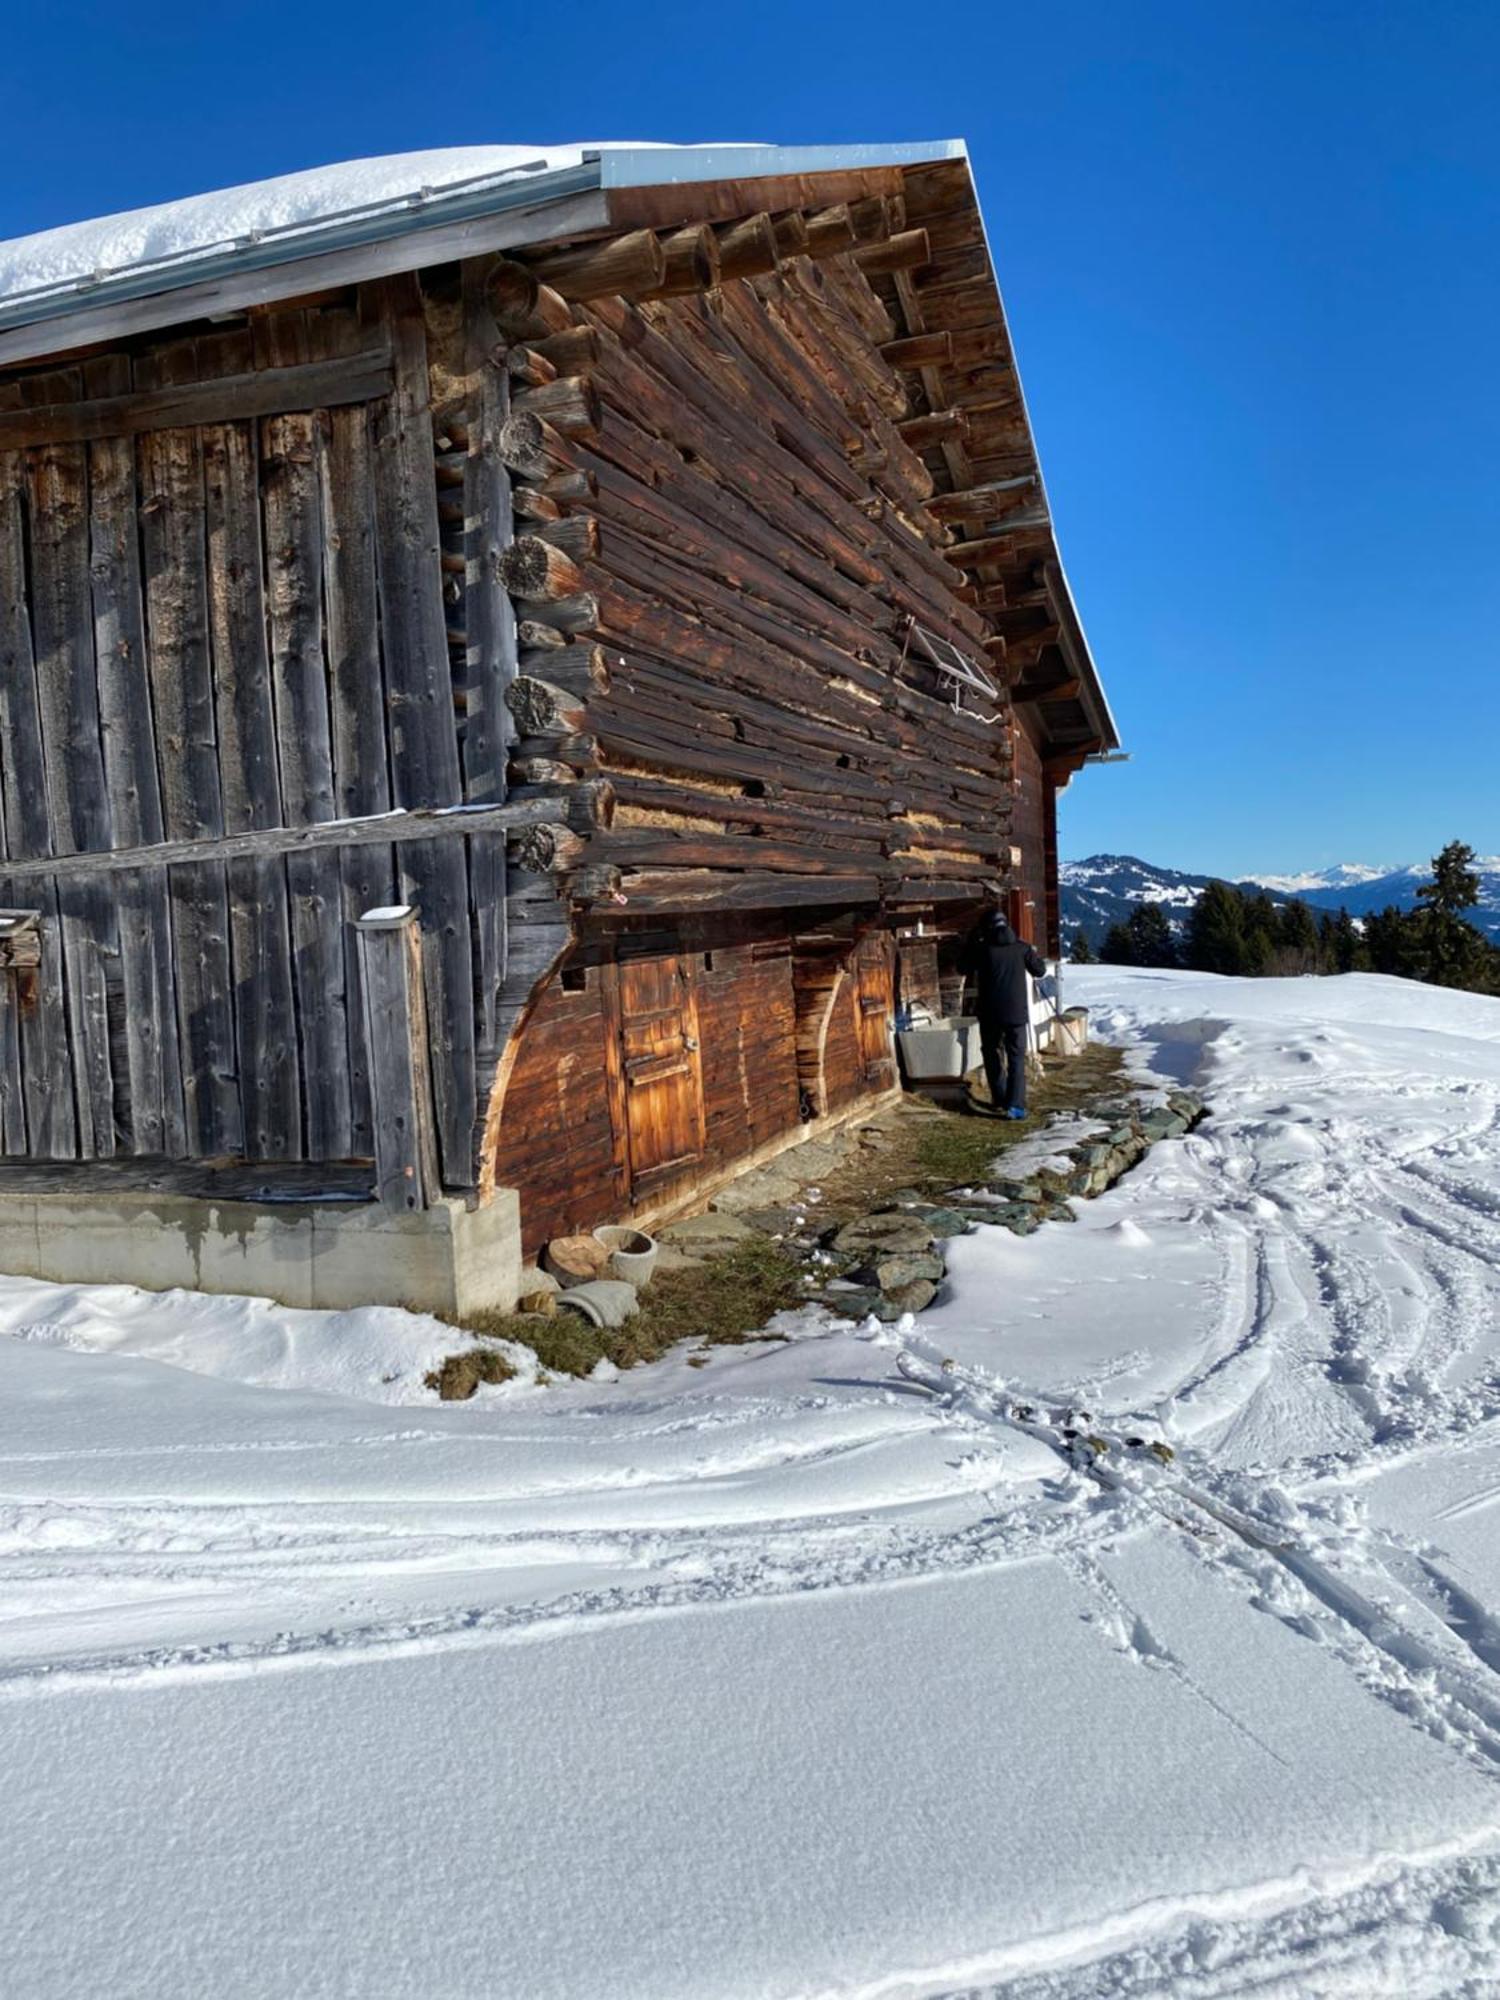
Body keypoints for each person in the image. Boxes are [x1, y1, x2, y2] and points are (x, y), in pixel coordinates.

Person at [961, 907, 1046, 1119]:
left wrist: (971, 942)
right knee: (1016, 1058)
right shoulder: (1021, 948)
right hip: (1017, 1013)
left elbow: (962, 967)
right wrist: (1030, 953)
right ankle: (1015, 1106)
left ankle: (999, 1099)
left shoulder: (983, 949)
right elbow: (1040, 970)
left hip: (989, 1014)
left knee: (992, 1054)